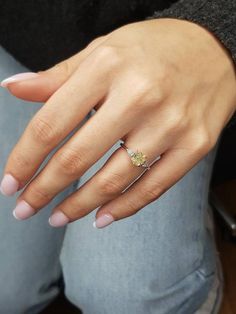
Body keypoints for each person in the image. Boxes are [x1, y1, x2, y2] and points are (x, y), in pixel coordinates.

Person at [0, 1, 235, 313]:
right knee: (8, 291)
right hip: (25, 38)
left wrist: (220, 33)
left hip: (175, 53)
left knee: (125, 296)